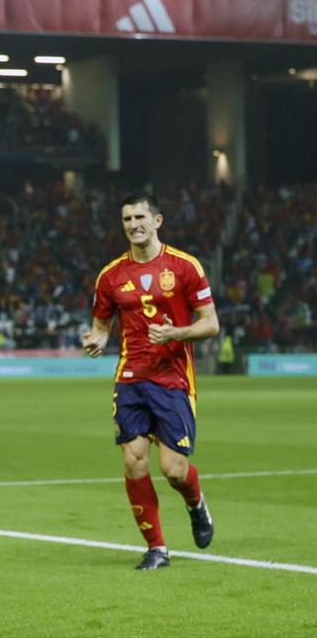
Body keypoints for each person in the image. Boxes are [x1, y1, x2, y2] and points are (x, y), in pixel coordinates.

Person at [82, 192, 219, 570]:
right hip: (131, 378)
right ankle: (157, 547)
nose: (133, 224)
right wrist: (96, 340)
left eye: (140, 217)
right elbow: (101, 327)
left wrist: (175, 333)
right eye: (126, 219)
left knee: (173, 470)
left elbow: (211, 323)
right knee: (134, 462)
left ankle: (195, 503)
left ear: (157, 221)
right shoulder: (110, 276)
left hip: (173, 377)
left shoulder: (185, 266)